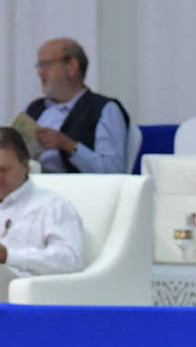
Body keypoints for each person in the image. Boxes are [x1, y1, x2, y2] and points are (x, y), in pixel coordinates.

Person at [0, 126, 85, 299]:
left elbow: (70, 259)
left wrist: (8, 255)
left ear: (25, 167)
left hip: (28, 292)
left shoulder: (51, 205)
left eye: (3, 170)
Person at [26, 38, 131, 174]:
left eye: (46, 65)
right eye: (39, 66)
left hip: (79, 190)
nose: (40, 73)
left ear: (72, 66)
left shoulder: (104, 109)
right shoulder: (34, 108)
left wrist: (68, 145)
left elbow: (113, 170)